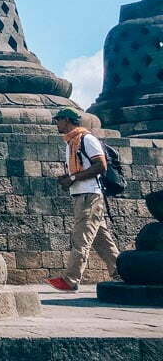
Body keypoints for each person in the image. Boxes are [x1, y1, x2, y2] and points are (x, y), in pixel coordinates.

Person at [46, 108, 120, 291]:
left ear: (67, 120)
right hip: (81, 194)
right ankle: (122, 271)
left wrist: (72, 178)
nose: (56, 124)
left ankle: (71, 279)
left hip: (90, 195)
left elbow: (100, 166)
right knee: (101, 239)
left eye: (58, 120)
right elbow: (80, 169)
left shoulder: (87, 139)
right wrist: (68, 178)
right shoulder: (71, 143)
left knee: (81, 238)